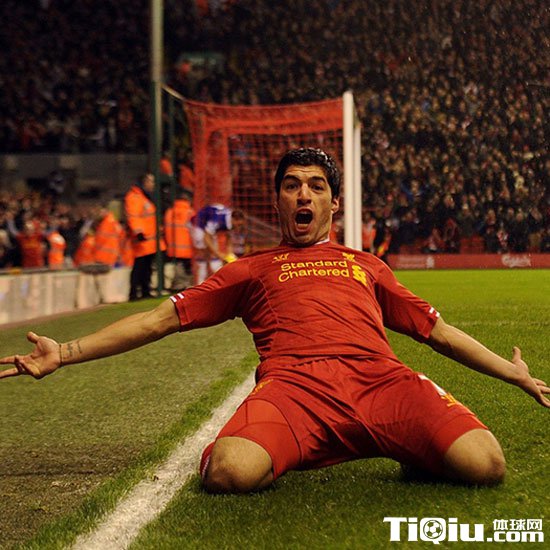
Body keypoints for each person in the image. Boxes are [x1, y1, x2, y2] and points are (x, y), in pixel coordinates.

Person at [1, 148, 548, 496]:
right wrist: (65, 353)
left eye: (315, 185)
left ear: (334, 203)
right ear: (280, 201)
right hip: (296, 391)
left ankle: (406, 447)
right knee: (230, 473)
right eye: (291, 185)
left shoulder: (367, 265)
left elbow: (439, 333)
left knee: (486, 464)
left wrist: (513, 374)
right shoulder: (251, 270)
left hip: (380, 382)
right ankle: (295, 442)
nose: (303, 193)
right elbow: (158, 320)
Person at [124, 172, 166, 300]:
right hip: (143, 239)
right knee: (140, 266)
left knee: (146, 267)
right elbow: (133, 216)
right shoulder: (135, 197)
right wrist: (139, 232)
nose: (153, 184)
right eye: (151, 181)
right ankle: (134, 293)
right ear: (144, 182)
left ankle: (144, 291)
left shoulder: (143, 197)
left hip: (149, 239)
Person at [191, 203, 235, 285]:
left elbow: (229, 237)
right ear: (234, 220)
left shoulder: (231, 219)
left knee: (213, 254)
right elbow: (206, 238)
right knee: (204, 253)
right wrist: (218, 254)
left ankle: (221, 283)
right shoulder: (217, 220)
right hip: (198, 225)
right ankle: (200, 284)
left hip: (208, 227)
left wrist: (230, 253)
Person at [164, 189, 195, 291]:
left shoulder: (170, 211)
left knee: (177, 266)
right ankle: (182, 285)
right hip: (188, 246)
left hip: (173, 246)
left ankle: (177, 285)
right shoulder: (190, 212)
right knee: (186, 268)